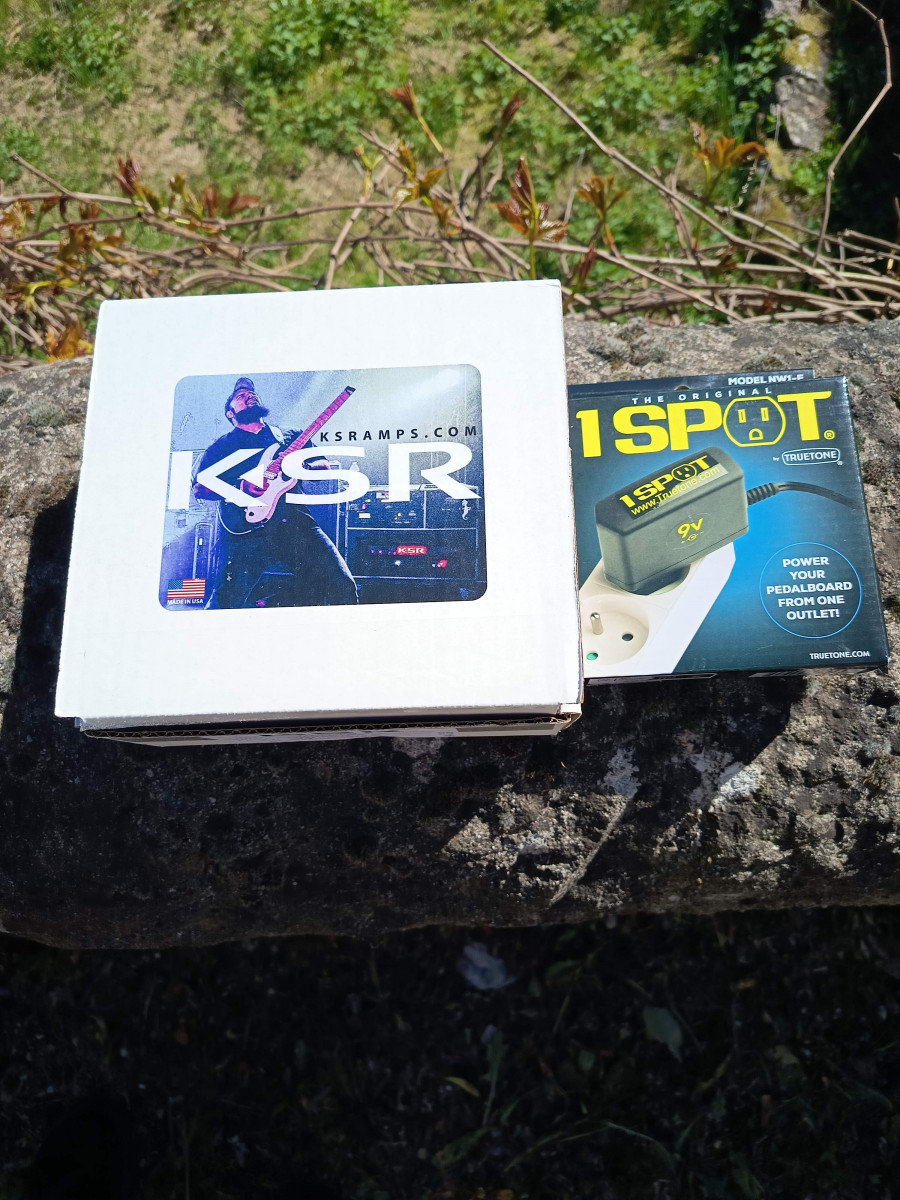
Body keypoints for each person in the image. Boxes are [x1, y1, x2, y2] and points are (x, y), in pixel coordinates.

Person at [192, 377, 358, 608]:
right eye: (240, 396)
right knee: (225, 601)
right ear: (230, 413)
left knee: (342, 585)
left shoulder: (289, 436)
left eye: (252, 393)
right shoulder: (222, 446)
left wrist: (300, 466)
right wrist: (240, 487)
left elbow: (323, 467)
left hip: (294, 523)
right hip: (245, 532)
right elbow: (199, 488)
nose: (249, 395)